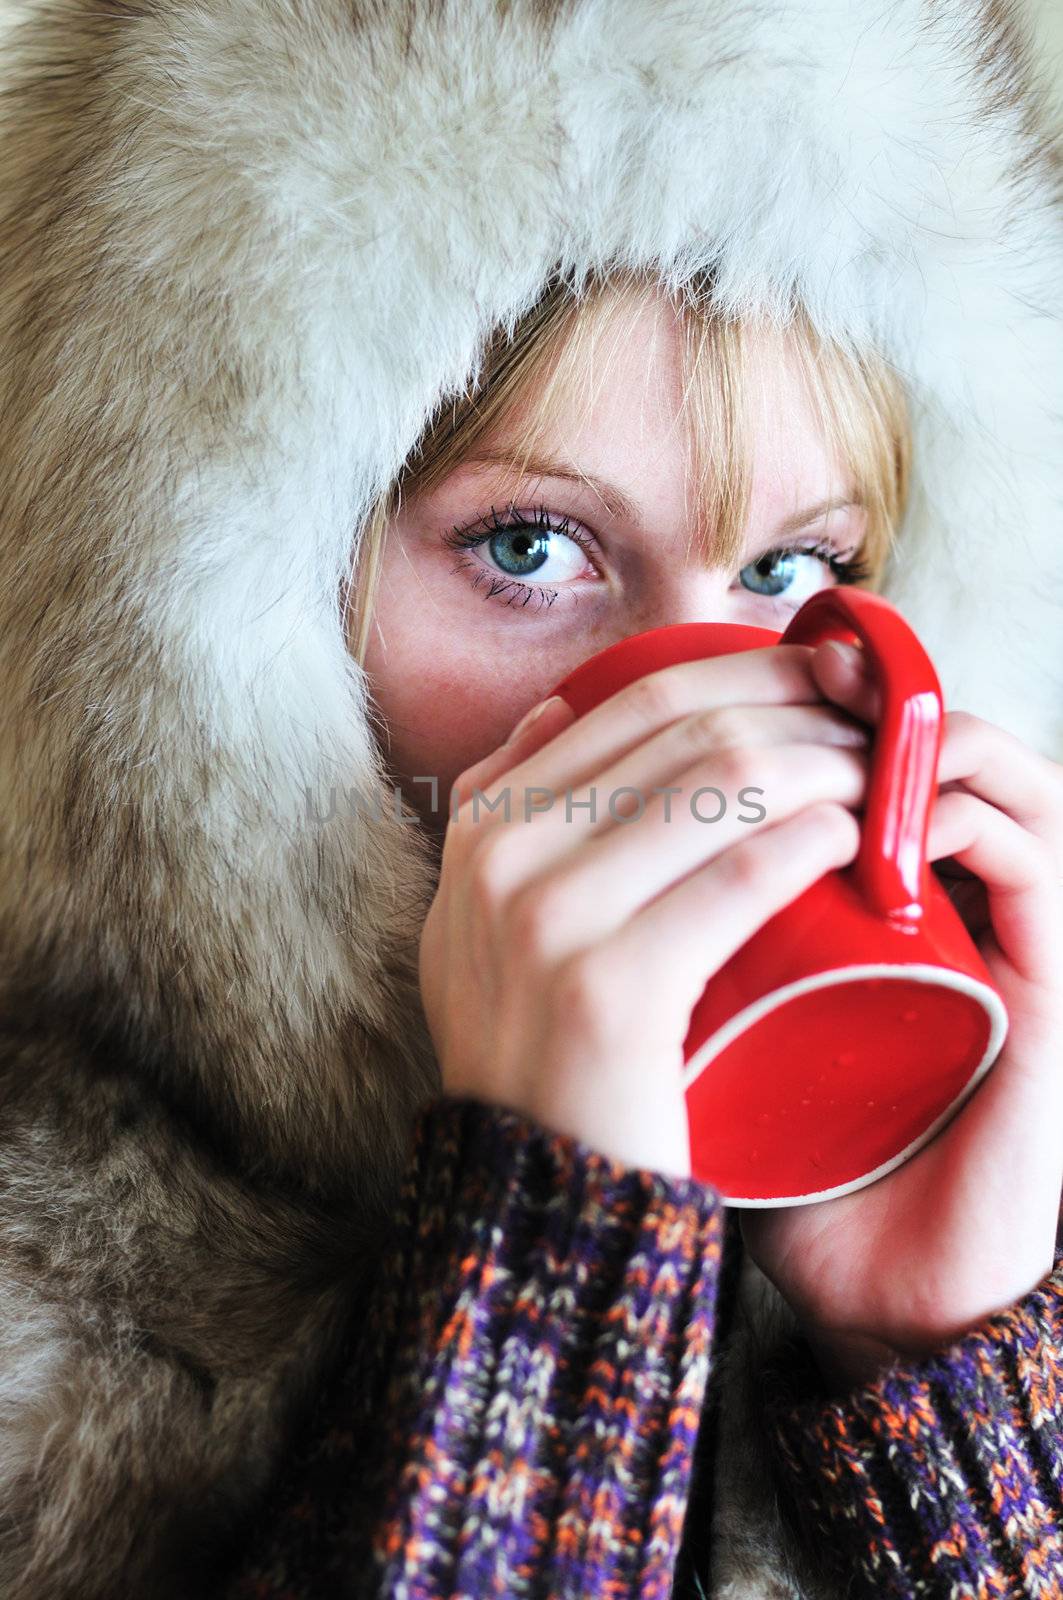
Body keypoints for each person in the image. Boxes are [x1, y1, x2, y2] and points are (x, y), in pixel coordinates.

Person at [0, 1, 1060, 1598]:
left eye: (792, 570)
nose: (708, 718)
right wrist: (554, 1281)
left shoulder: (1004, 1231)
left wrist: (941, 1382)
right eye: (527, 548)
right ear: (212, 631)